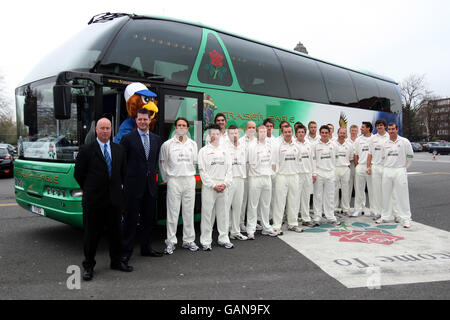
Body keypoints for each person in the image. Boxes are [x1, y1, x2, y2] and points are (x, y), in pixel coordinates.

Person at [74, 118, 132, 281]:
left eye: (108, 128)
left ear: (111, 130)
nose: (105, 131)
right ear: (96, 131)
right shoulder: (86, 150)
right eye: (102, 128)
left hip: (114, 200)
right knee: (91, 235)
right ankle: (88, 266)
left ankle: (116, 262)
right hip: (94, 200)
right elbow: (79, 174)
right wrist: (91, 189)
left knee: (116, 233)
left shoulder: (119, 149)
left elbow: (122, 173)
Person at [121, 108, 163, 262]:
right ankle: (126, 252)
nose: (143, 122)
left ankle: (146, 248)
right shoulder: (127, 138)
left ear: (150, 120)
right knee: (130, 221)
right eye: (140, 119)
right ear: (136, 120)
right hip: (133, 187)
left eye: (145, 119)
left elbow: (154, 162)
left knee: (148, 220)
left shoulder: (156, 139)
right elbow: (122, 163)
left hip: (150, 187)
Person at [159, 117, 199, 255]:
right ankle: (171, 242)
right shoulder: (167, 144)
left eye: (184, 125)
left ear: (188, 128)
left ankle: (188, 240)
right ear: (175, 128)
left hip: (189, 179)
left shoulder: (193, 144)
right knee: (173, 212)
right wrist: (167, 179)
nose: (181, 127)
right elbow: (162, 163)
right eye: (179, 125)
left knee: (189, 212)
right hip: (174, 180)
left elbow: (195, 162)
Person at [198, 125, 233, 250]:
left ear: (220, 135)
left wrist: (225, 183)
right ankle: (206, 240)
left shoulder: (225, 151)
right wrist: (213, 185)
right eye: (213, 134)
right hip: (210, 187)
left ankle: (224, 238)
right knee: (207, 214)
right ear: (209, 135)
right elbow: (202, 171)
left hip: (223, 186)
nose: (215, 136)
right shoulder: (203, 151)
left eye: (217, 134)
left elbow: (230, 170)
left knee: (223, 214)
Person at [376, 123, 414, 228]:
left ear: (397, 129)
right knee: (386, 195)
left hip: (400, 170)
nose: (391, 131)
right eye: (389, 129)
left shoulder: (404, 142)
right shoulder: (385, 143)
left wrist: (404, 167)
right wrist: (386, 168)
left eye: (393, 129)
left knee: (402, 195)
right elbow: (383, 158)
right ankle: (385, 216)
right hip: (387, 170)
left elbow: (410, 156)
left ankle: (405, 218)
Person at [247, 125, 278, 239]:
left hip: (267, 178)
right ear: (256, 132)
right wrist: (259, 173)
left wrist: (270, 173)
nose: (263, 133)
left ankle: (266, 227)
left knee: (266, 204)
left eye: (265, 131)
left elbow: (273, 162)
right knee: (253, 204)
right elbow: (251, 163)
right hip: (255, 178)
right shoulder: (252, 146)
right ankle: (250, 229)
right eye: (261, 131)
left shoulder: (269, 146)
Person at [272, 125, 303, 233]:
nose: (288, 134)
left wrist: (297, 173)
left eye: (290, 131)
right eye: (286, 132)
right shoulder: (278, 145)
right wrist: (277, 174)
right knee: (279, 202)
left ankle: (293, 224)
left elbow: (299, 161)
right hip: (282, 176)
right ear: (282, 133)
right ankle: (276, 226)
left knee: (294, 201)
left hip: (294, 176)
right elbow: (274, 162)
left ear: (292, 132)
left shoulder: (297, 145)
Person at [312, 125, 340, 226]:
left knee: (330, 195)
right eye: (322, 133)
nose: (324, 134)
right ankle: (317, 217)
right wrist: (314, 173)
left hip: (330, 173)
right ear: (320, 133)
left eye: (326, 133)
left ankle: (330, 217)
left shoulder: (334, 145)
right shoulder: (315, 145)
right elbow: (313, 160)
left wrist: (333, 171)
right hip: (319, 173)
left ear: (329, 134)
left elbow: (336, 159)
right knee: (318, 196)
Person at [226, 125, 248, 241]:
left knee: (238, 207)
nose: (234, 135)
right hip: (230, 180)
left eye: (236, 133)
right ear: (228, 134)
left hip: (240, 179)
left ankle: (235, 231)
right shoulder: (224, 147)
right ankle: (225, 233)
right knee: (226, 207)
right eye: (232, 133)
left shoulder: (243, 146)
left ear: (239, 134)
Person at [367, 119, 389, 218]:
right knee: (376, 191)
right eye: (377, 125)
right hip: (375, 166)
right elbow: (370, 154)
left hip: (386, 167)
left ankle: (390, 212)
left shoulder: (389, 137)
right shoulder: (373, 138)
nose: (379, 127)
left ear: (385, 126)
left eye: (381, 125)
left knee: (388, 190)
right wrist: (368, 166)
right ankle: (378, 212)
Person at [352, 121, 374, 217]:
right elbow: (355, 154)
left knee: (372, 189)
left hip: (371, 166)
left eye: (363, 127)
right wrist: (357, 166)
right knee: (359, 189)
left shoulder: (374, 139)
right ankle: (358, 209)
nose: (361, 129)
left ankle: (374, 210)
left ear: (368, 128)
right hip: (360, 166)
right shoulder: (358, 140)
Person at [239, 121, 257, 233]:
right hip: (244, 175)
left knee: (253, 201)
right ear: (245, 128)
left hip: (255, 176)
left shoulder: (258, 141)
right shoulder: (240, 141)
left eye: (253, 127)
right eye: (249, 127)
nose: (251, 129)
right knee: (243, 200)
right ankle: (241, 223)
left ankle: (252, 223)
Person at [295, 125, 315, 227]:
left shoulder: (309, 144)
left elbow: (312, 160)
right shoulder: (293, 144)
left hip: (307, 174)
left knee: (306, 197)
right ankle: (294, 219)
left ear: (305, 133)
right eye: (299, 132)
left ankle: (306, 218)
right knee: (295, 198)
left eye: (303, 132)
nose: (301, 134)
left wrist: (313, 173)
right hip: (297, 175)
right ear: (296, 133)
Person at [333, 127, 354, 216]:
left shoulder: (349, 145)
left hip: (345, 168)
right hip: (335, 168)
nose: (342, 134)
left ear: (346, 134)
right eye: (341, 133)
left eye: (344, 133)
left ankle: (346, 209)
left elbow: (350, 158)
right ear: (338, 133)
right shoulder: (333, 144)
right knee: (334, 189)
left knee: (346, 189)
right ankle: (334, 208)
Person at [347, 124, 359, 207]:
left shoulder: (360, 140)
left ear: (357, 131)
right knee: (349, 185)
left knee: (358, 185)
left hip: (358, 164)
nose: (353, 132)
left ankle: (360, 205)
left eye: (355, 131)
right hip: (349, 165)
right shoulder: (346, 141)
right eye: (352, 130)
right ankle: (346, 204)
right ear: (350, 131)